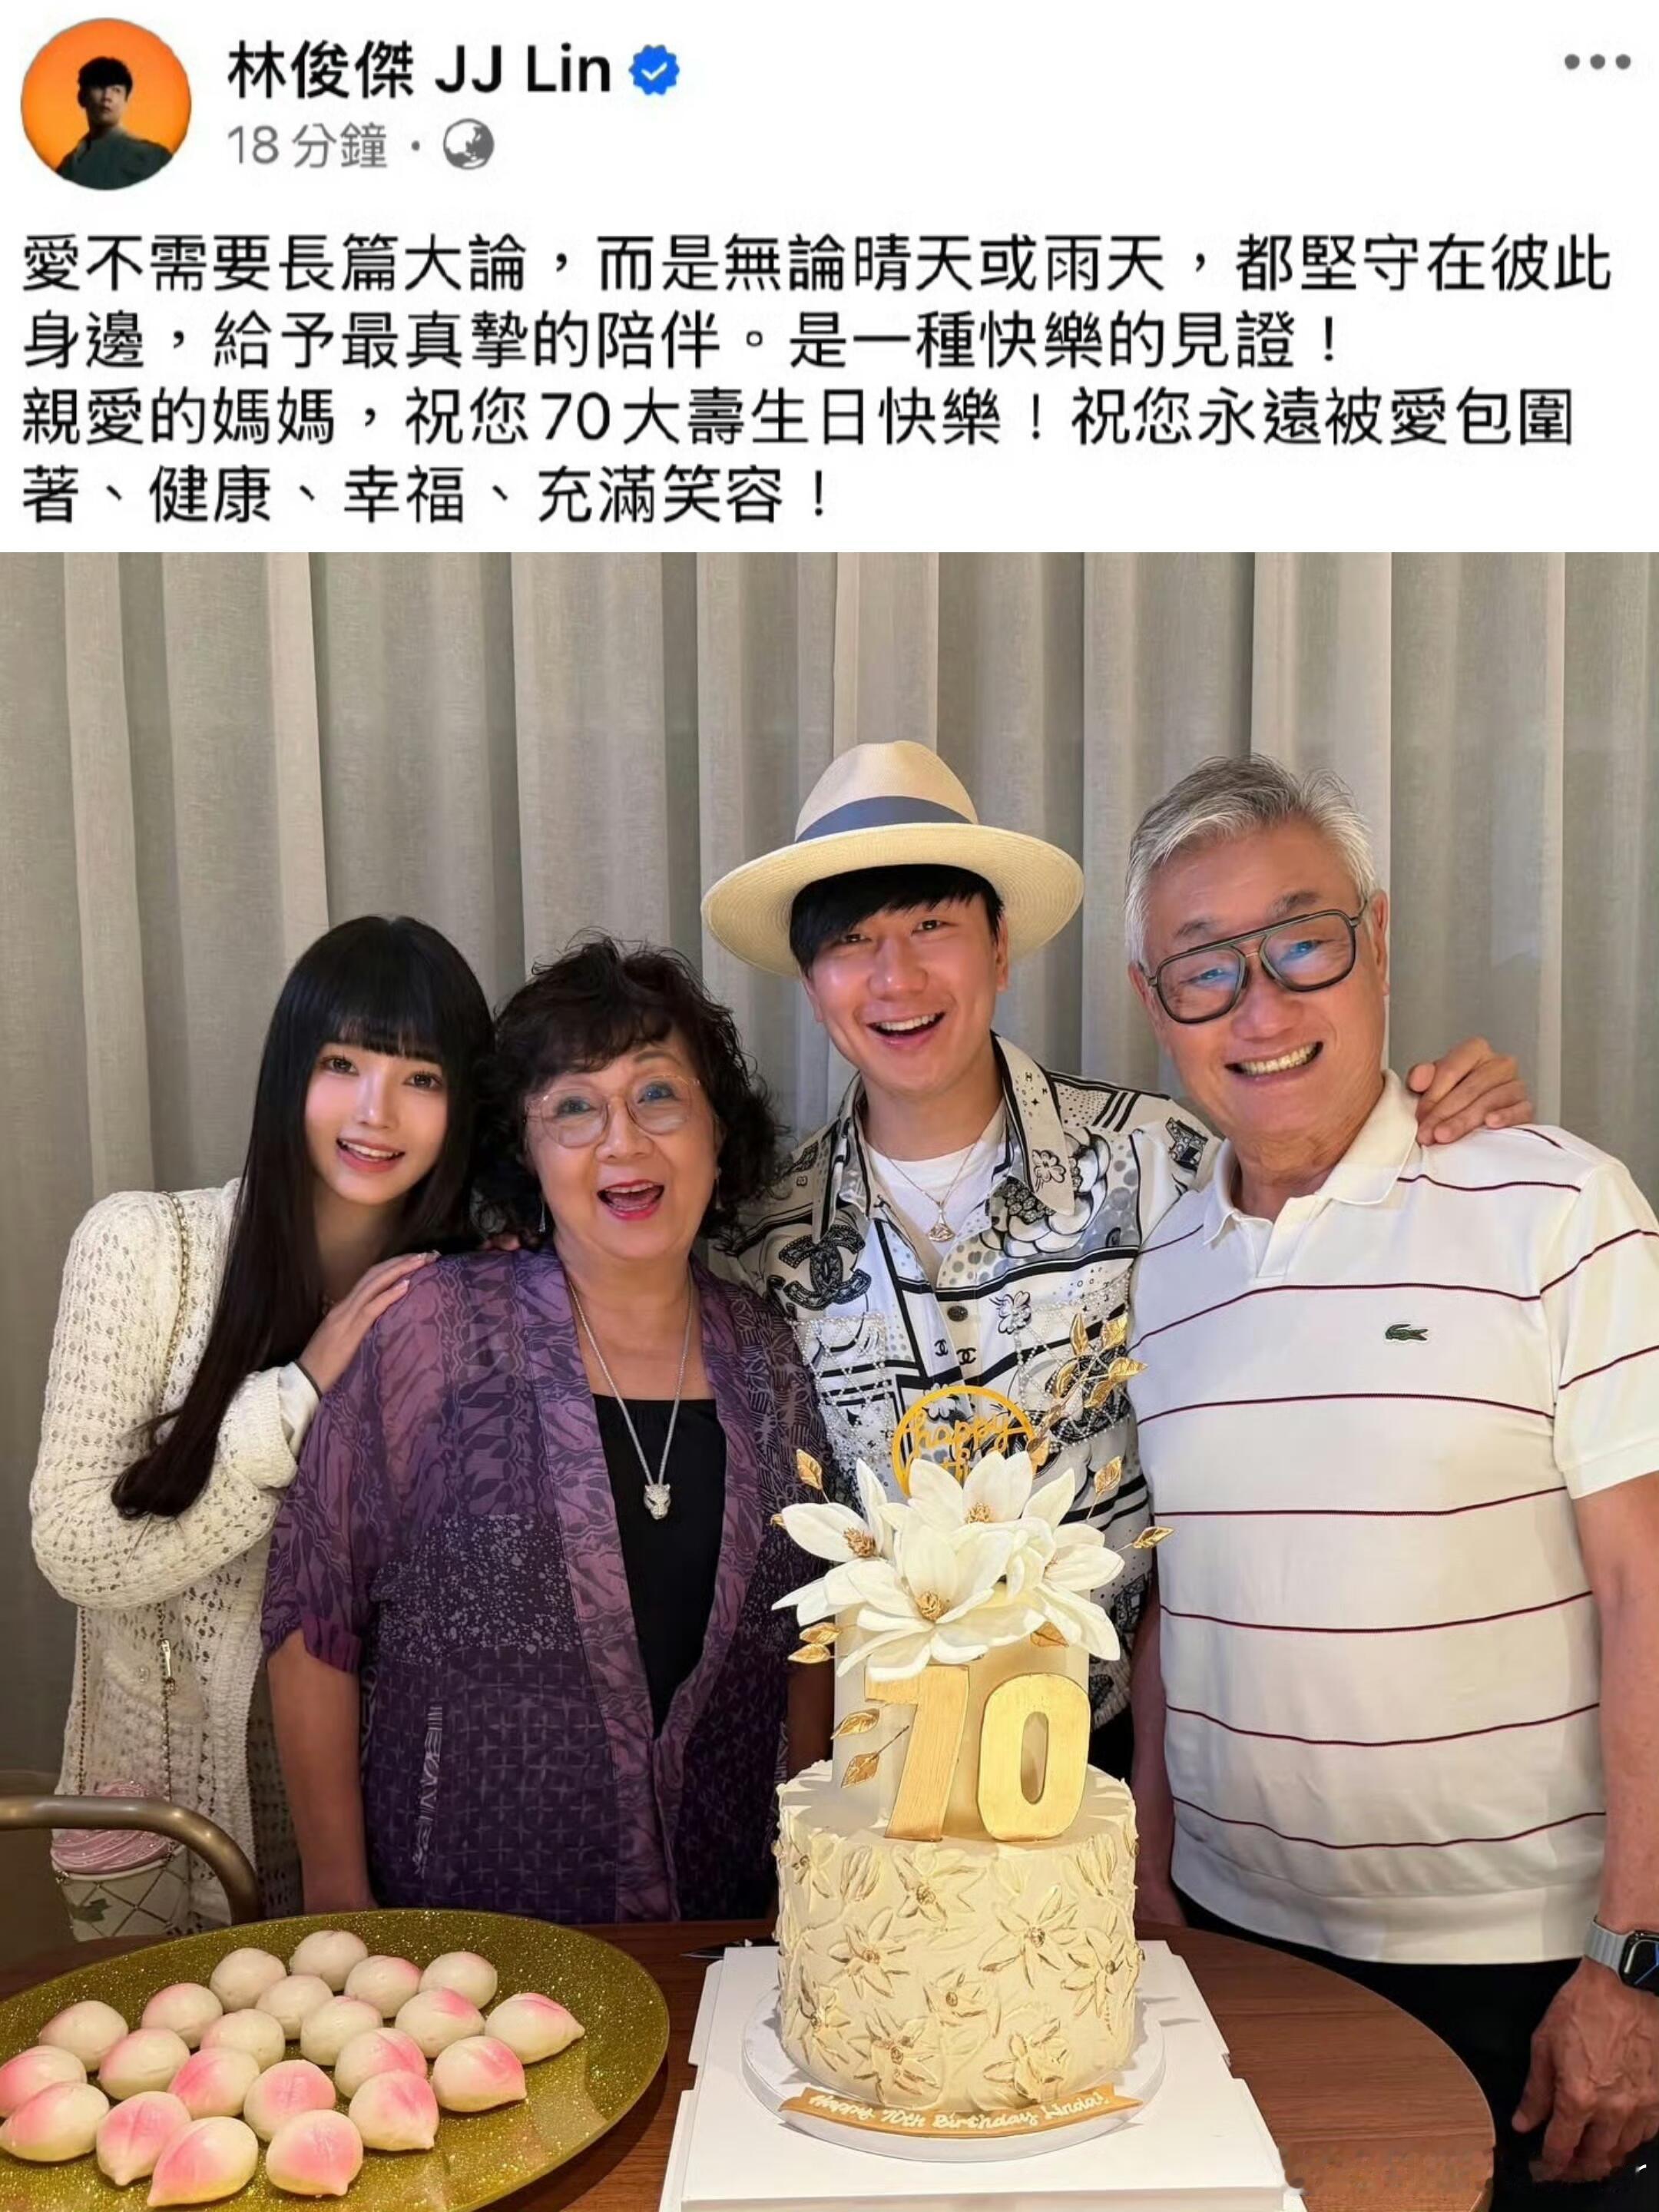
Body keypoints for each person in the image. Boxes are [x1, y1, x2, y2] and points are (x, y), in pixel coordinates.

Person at [703, 740, 1532, 1773]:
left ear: (1000, 948)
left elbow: (1337, 1295)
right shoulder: (759, 1245)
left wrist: (1439, 1121)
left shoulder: (1164, 1165)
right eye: (852, 942)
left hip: (1139, 1762)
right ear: (812, 982)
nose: (896, 977)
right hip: (880, 1778)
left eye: (932, 926)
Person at [1122, 757, 1659, 2208]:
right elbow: (1186, 1590)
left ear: (1377, 936)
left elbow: (1648, 1589)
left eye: (1302, 942)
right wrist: (1155, 1870)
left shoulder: (1560, 1205)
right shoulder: (1165, 1268)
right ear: (1151, 1001)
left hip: (1528, 1970)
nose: (1261, 1007)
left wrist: (1636, 1959)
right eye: (1204, 969)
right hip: (1237, 1950)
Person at [263, 936, 837, 1924]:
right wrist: (338, 1895)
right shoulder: (431, 1330)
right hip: (464, 1937)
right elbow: (316, 1614)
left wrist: (816, 1880)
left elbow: (811, 1635)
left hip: (725, 1931)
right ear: (525, 1150)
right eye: (574, 1107)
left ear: (716, 1131)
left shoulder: (768, 1354)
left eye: (658, 1095)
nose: (623, 1141)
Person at [31, 915, 492, 1927]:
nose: (375, 1112)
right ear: (290, 1072)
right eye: (342, 1064)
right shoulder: (144, 1247)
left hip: (376, 1828)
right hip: (160, 1829)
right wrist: (302, 1390)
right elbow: (74, 1550)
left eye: (420, 1077)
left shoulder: (464, 1300)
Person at [55, 57, 173, 190]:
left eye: (116, 90)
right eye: (99, 87)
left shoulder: (152, 156)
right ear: (81, 97)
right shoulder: (68, 166)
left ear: (126, 101)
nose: (107, 97)